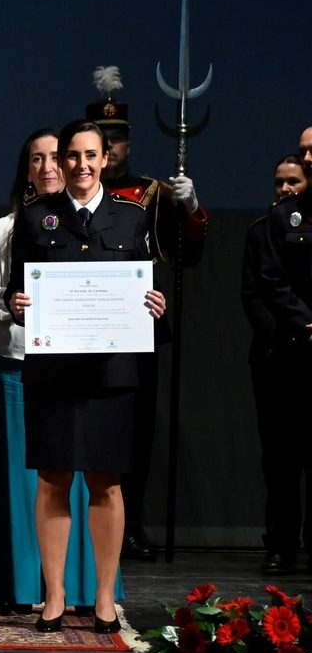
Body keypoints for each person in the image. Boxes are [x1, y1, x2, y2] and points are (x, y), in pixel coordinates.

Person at [6, 119, 168, 634]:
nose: (79, 165)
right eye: (70, 156)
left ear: (106, 160)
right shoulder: (35, 218)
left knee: (106, 482)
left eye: (90, 156)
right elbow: (16, 294)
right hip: (53, 370)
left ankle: (102, 597)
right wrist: (17, 304)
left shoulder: (132, 218)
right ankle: (53, 597)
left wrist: (155, 303)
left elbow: (146, 289)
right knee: (53, 479)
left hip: (111, 372)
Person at [0, 129, 123, 613]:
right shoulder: (16, 225)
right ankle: (31, 589)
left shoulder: (111, 219)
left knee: (96, 482)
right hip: (25, 362)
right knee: (35, 482)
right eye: (37, 159)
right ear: (27, 169)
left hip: (91, 366)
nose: (50, 166)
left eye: (57, 157)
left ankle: (91, 593)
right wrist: (11, 303)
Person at [86, 65, 207, 560]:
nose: (110, 150)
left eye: (117, 141)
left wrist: (191, 209)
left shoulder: (153, 194)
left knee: (135, 434)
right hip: (81, 325)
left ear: (128, 145)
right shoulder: (62, 196)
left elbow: (187, 256)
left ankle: (128, 524)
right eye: (101, 140)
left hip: (137, 330)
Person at [256, 126, 312, 573]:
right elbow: (271, 280)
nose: (307, 158)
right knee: (282, 456)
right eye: (303, 151)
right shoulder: (284, 218)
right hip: (295, 351)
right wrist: (305, 321)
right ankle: (280, 544)